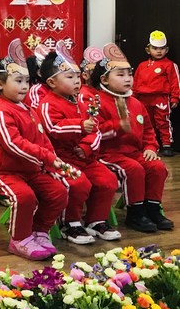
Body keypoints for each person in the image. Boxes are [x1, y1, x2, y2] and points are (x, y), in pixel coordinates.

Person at [0, 39, 69, 261]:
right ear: (0, 84)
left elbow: (42, 138)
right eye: (18, 81)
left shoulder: (27, 108)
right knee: (24, 196)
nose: (24, 86)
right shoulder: (0, 111)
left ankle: (39, 231)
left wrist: (53, 160)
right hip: (3, 171)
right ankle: (19, 239)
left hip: (31, 169)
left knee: (58, 192)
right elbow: (14, 144)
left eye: (27, 81)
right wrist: (45, 157)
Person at [37, 48, 121, 244]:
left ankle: (96, 220)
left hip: (84, 157)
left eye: (77, 76)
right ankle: (70, 223)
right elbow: (53, 128)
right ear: (51, 82)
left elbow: (95, 130)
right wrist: (80, 126)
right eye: (69, 77)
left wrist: (86, 147)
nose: (77, 81)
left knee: (108, 179)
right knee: (78, 183)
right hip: (60, 160)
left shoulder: (81, 103)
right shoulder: (47, 104)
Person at [94, 43, 173, 233]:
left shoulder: (136, 103)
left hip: (135, 153)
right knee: (134, 169)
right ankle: (135, 213)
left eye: (129, 74)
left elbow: (148, 132)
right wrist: (117, 127)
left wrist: (150, 148)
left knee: (157, 167)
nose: (128, 79)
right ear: (104, 79)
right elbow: (94, 133)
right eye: (120, 75)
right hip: (108, 154)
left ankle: (152, 209)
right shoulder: (97, 102)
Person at [132, 30, 180, 157]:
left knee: (163, 121)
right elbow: (135, 81)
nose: (159, 51)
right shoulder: (142, 65)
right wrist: (133, 97)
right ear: (148, 50)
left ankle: (167, 144)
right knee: (146, 122)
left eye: (162, 48)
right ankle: (150, 145)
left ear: (166, 50)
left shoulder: (170, 65)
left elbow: (175, 81)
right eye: (155, 48)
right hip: (143, 99)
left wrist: (175, 97)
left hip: (160, 99)